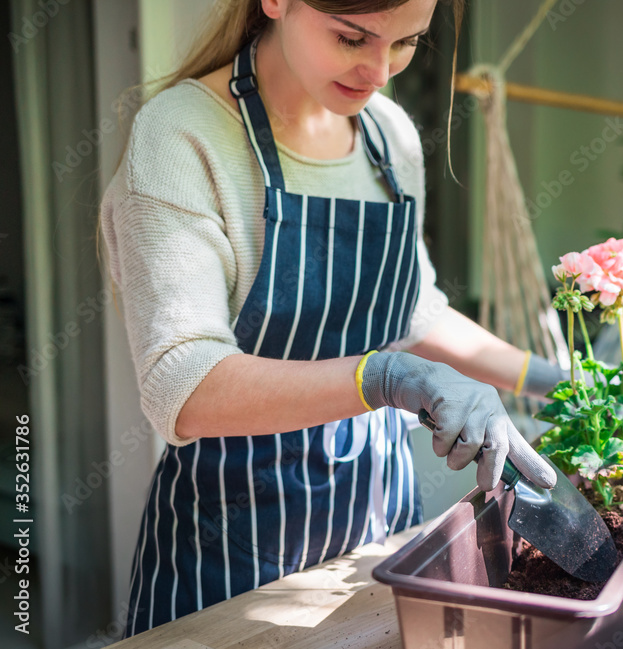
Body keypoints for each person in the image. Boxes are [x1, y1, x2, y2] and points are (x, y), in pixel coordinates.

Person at [99, 0, 565, 638]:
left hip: (378, 526)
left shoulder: (390, 135)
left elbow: (413, 310)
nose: (378, 70)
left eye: (407, 44)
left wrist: (553, 381)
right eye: (352, 37)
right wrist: (390, 378)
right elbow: (183, 384)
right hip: (232, 542)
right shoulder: (183, 134)